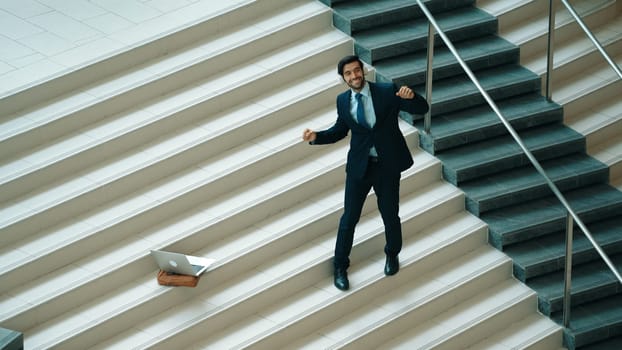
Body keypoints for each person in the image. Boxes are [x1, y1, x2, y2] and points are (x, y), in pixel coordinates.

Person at [302, 55, 429, 291]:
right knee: (348, 218)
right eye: (348, 74)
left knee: (390, 214)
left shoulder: (386, 91)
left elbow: (422, 108)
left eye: (356, 71)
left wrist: (413, 97)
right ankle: (340, 266)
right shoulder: (343, 101)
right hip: (360, 167)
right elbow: (340, 131)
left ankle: (392, 254)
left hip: (387, 165)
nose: (354, 76)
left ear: (364, 71)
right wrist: (316, 137)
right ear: (343, 78)